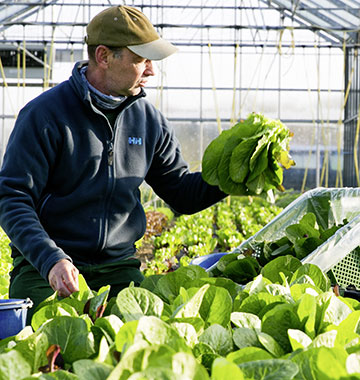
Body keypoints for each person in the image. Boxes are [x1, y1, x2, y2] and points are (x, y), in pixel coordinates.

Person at [0, 5, 227, 313]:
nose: (151, 71)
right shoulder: (45, 116)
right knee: (49, 341)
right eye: (141, 60)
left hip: (118, 270)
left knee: (145, 342)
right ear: (104, 57)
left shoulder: (149, 121)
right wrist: (51, 259)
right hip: (46, 269)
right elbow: (12, 197)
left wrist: (233, 175)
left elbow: (181, 193)